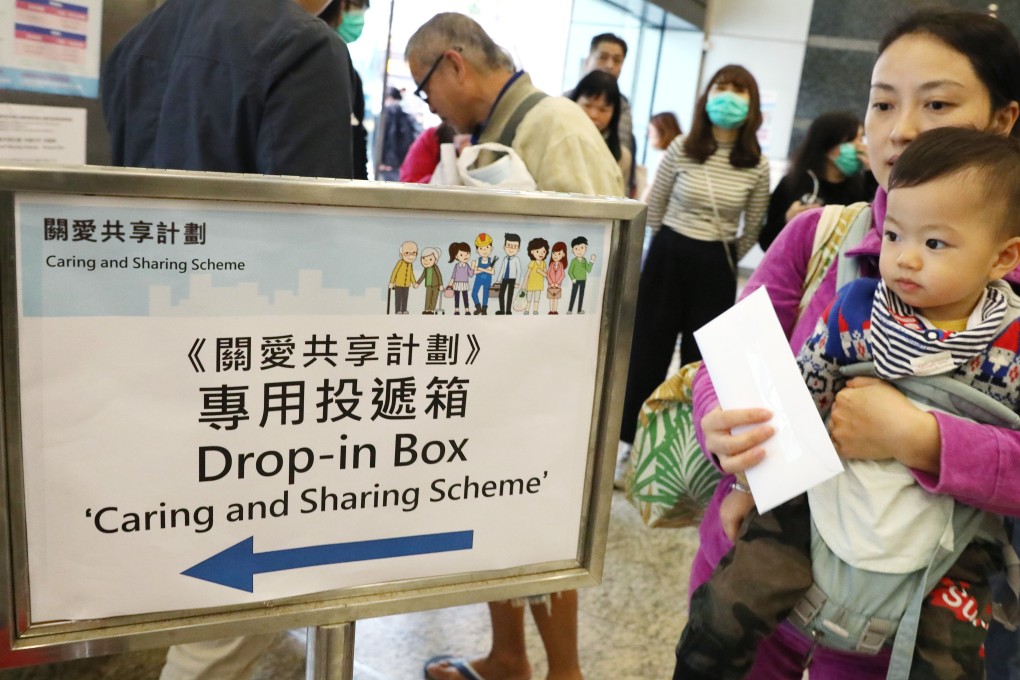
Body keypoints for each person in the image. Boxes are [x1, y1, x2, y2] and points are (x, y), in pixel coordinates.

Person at [687, 9, 1020, 678]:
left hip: (907, 613)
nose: (901, 129)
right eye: (882, 102)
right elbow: (730, 360)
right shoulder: (819, 238)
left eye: (938, 103)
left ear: (1004, 121)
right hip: (759, 581)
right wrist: (720, 425)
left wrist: (919, 438)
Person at [406, 12, 622, 680]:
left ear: (454, 64)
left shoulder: (552, 124)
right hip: (500, 364)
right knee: (492, 513)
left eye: (425, 88)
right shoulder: (494, 132)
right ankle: (508, 657)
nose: (430, 105)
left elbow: (601, 260)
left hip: (550, 374)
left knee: (540, 521)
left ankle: (564, 673)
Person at [618, 64, 769, 449]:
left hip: (716, 261)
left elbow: (752, 225)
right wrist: (668, 242)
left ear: (752, 104)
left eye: (739, 89)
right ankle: (630, 444)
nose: (729, 96)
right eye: (721, 87)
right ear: (706, 96)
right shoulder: (682, 147)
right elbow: (654, 206)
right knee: (647, 350)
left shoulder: (756, 164)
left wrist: (719, 251)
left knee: (702, 360)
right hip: (669, 252)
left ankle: (686, 446)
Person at [102, 0, 353, 179]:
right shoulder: (305, 45)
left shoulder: (131, 45)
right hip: (243, 252)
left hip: (146, 248)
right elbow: (311, 223)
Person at [758, 110, 876, 251]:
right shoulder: (793, 183)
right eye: (852, 140)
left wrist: (873, 172)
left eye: (861, 138)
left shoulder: (863, 184)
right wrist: (787, 219)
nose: (860, 147)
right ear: (828, 145)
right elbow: (766, 241)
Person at [318, 0, 371, 179]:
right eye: (357, 5)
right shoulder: (307, 60)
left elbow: (356, 140)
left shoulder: (350, 74)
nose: (360, 14)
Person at [573, 33, 634, 188]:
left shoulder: (623, 108)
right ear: (588, 61)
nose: (609, 65)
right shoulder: (564, 101)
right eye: (603, 57)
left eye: (617, 60)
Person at [568, 70, 632, 188]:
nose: (594, 115)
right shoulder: (556, 140)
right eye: (587, 105)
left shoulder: (622, 157)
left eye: (603, 110)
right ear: (574, 101)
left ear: (614, 114)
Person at [377, 86, 420, 180]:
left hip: (386, 165)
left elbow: (380, 140)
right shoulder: (407, 117)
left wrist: (380, 162)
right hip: (402, 165)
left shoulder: (385, 115)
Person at [641, 111, 682, 201]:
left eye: (651, 131)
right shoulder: (678, 154)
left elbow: (654, 187)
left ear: (663, 131)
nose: (648, 136)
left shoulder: (666, 156)